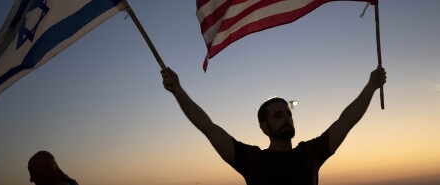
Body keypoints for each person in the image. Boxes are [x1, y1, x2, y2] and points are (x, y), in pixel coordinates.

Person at [161, 66, 386, 185]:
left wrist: (371, 86)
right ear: (264, 127)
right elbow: (207, 126)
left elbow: (346, 121)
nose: (287, 118)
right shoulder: (250, 159)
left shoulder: (310, 153)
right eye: (278, 115)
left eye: (288, 114)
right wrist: (178, 90)